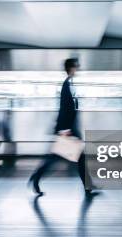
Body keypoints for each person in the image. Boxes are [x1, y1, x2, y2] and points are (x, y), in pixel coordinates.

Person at [28, 58, 90, 196]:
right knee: (56, 157)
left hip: (69, 129)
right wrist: (65, 129)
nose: (77, 70)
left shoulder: (70, 84)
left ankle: (87, 186)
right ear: (71, 68)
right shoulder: (66, 85)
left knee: (78, 157)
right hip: (67, 130)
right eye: (76, 67)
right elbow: (64, 109)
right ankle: (36, 177)